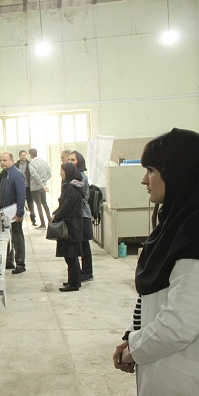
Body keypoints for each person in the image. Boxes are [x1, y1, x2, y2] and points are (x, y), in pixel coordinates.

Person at [113, 128, 199, 395]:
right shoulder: (174, 224)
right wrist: (132, 336)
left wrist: (135, 349)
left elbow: (180, 324)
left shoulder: (194, 234)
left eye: (151, 170)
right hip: (160, 363)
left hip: (181, 375)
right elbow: (152, 298)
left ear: (178, 173)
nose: (144, 180)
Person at [52, 162, 84, 292]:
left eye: (62, 171)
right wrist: (56, 213)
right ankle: (73, 281)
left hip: (72, 226)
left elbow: (67, 206)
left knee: (71, 256)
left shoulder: (72, 187)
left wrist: (57, 217)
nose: (60, 174)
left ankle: (74, 284)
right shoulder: (71, 185)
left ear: (68, 172)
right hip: (71, 224)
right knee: (69, 256)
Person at [0, 152, 26, 274]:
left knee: (17, 237)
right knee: (7, 237)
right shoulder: (3, 174)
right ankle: (9, 261)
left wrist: (19, 213)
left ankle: (20, 264)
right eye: (1, 160)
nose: (2, 162)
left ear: (12, 161)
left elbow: (21, 194)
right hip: (4, 212)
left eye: (5, 160)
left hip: (13, 212)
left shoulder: (17, 174)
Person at [68, 151, 94, 282]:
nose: (70, 162)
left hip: (83, 214)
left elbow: (81, 195)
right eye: (69, 159)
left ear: (79, 162)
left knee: (84, 244)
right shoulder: (74, 176)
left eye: (73, 160)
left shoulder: (81, 177)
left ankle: (88, 272)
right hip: (77, 214)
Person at [28, 148, 52, 229]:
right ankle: (50, 222)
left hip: (35, 188)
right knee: (45, 204)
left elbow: (34, 175)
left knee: (38, 205)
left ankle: (43, 224)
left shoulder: (32, 164)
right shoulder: (44, 162)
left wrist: (40, 183)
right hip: (43, 187)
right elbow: (49, 174)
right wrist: (43, 181)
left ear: (30, 155)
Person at [16, 150, 37, 226]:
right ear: (19, 156)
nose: (23, 157)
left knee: (30, 203)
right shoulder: (16, 165)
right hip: (19, 187)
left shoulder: (30, 164)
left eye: (25, 155)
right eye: (22, 155)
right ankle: (19, 220)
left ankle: (33, 220)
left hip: (28, 187)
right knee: (20, 204)